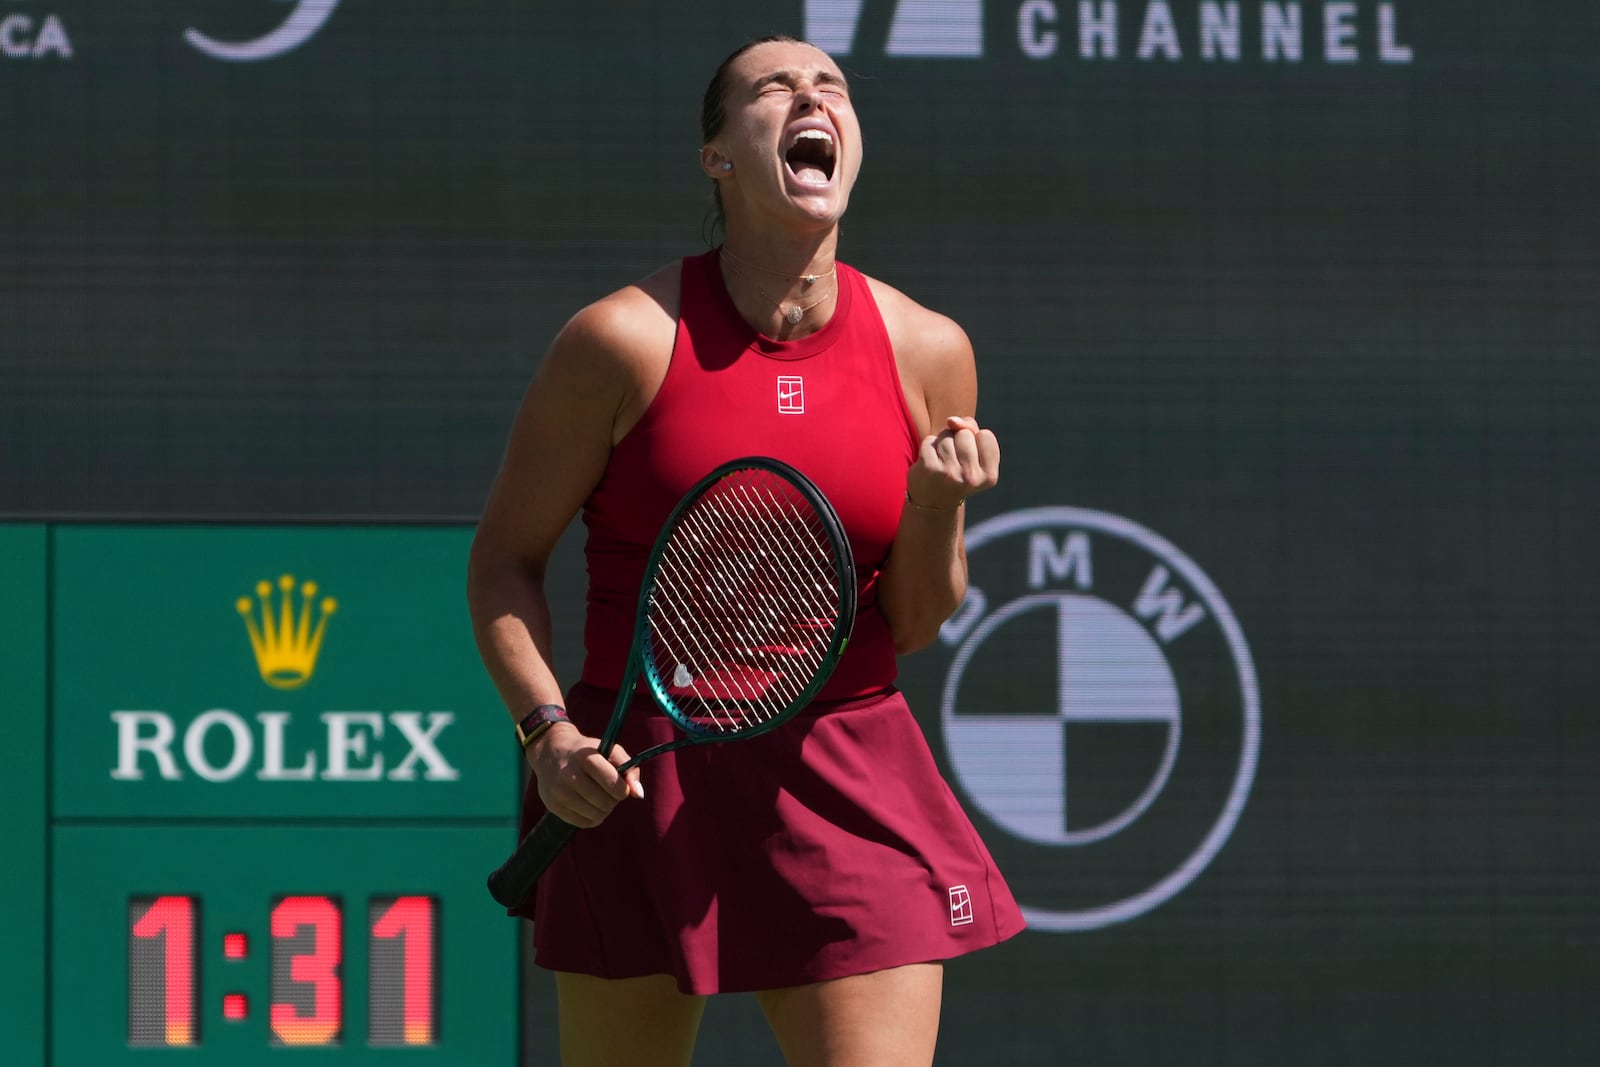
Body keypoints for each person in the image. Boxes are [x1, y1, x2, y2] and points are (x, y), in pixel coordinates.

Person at [466, 34, 1025, 1067]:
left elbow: (913, 619)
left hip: (848, 769)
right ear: (717, 156)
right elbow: (502, 562)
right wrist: (546, 736)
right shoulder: (620, 341)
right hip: (635, 772)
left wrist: (936, 505)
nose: (813, 98)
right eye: (775, 89)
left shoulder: (927, 349)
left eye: (833, 89)